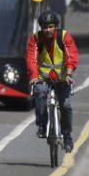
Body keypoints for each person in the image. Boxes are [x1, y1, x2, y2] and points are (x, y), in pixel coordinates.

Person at [27, 10, 79, 153]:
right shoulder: (35, 39)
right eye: (44, 27)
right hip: (43, 78)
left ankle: (67, 136)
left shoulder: (64, 37)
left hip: (63, 79)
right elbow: (32, 58)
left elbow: (71, 56)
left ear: (55, 26)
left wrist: (68, 74)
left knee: (66, 105)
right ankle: (42, 125)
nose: (47, 30)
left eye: (50, 26)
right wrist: (33, 76)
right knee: (40, 93)